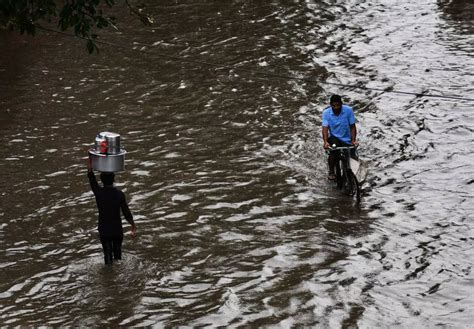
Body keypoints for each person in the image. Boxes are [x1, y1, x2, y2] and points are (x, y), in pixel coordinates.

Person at [87, 159, 136, 265]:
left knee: (107, 257)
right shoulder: (119, 194)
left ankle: (109, 276)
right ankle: (118, 275)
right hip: (117, 230)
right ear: (113, 179)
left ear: (102, 180)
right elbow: (126, 212)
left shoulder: (99, 193)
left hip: (104, 230)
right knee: (118, 257)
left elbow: (91, 177)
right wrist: (133, 226)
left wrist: (90, 160)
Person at [322, 94, 358, 180]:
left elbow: (352, 126)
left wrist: (353, 140)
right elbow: (325, 129)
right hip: (334, 137)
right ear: (331, 105)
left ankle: (354, 175)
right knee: (333, 152)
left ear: (341, 104)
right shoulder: (326, 113)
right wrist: (325, 142)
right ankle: (331, 171)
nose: (336, 107)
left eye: (338, 105)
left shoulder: (348, 110)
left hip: (346, 138)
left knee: (352, 156)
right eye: (333, 105)